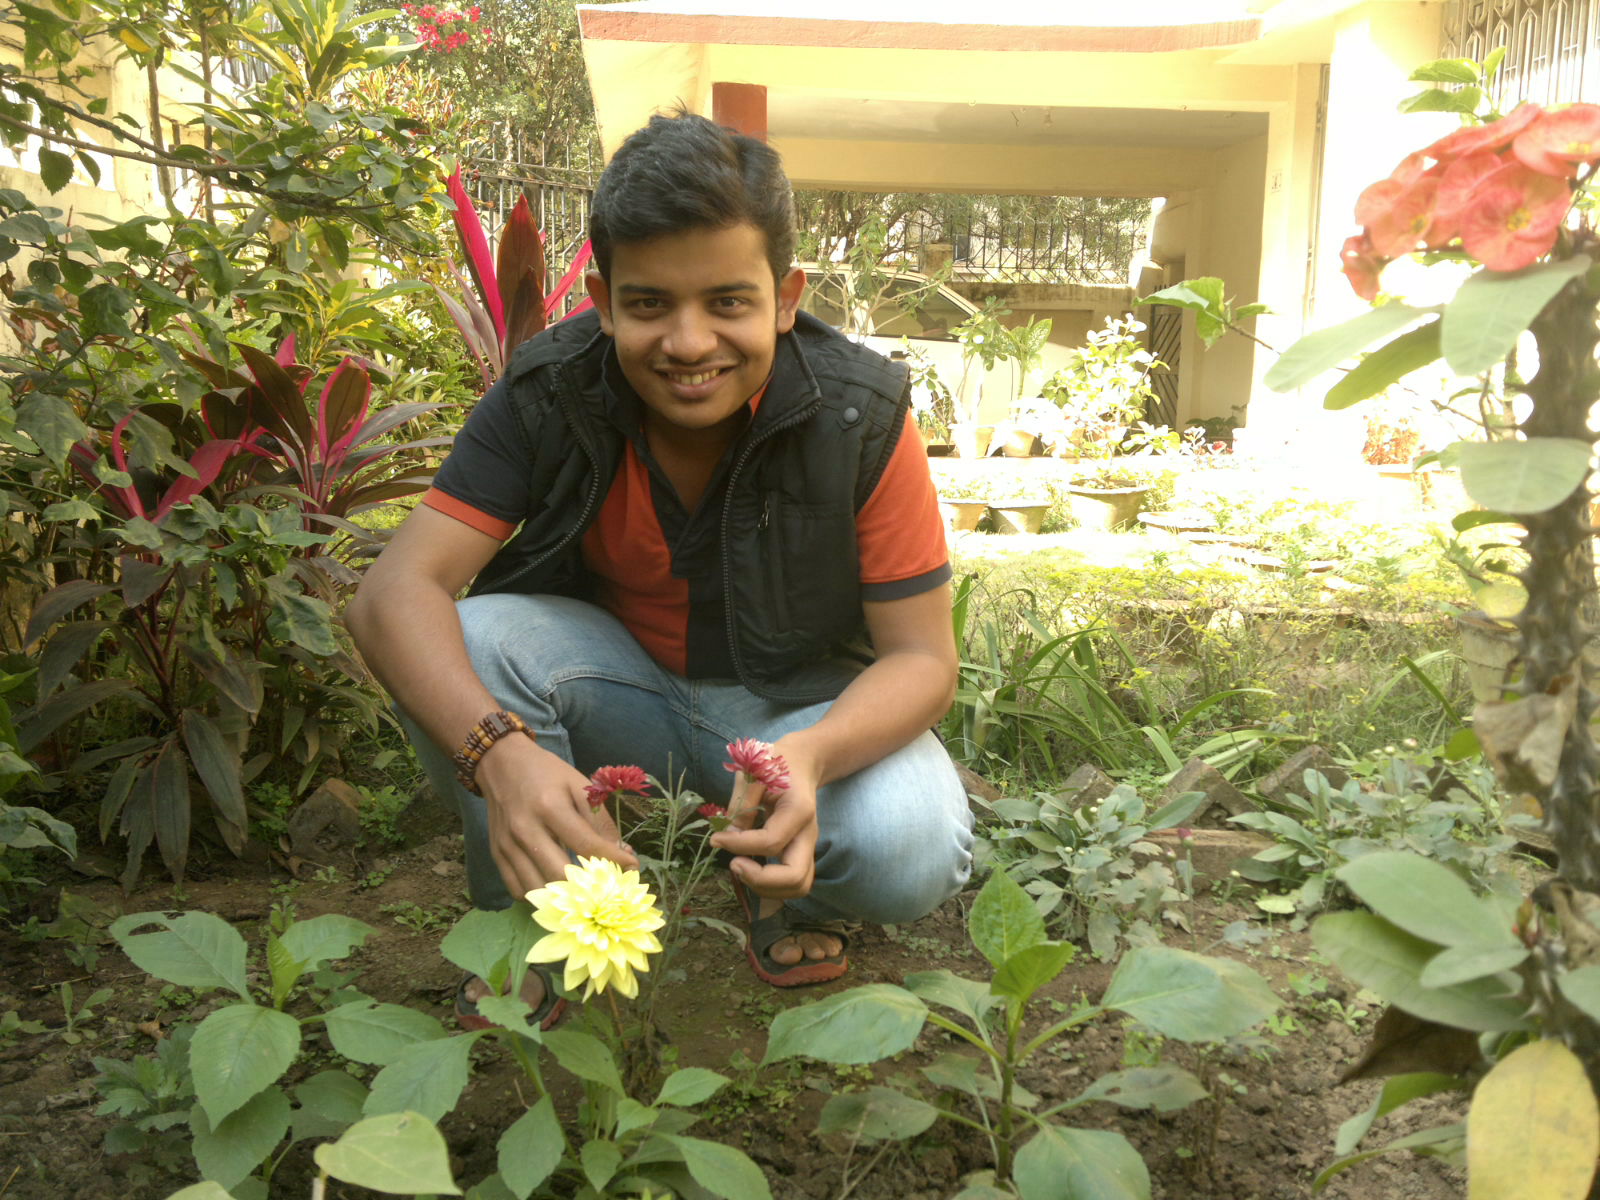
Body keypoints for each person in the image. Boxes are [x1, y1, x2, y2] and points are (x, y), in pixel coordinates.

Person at [345, 111, 973, 1028]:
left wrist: (811, 757)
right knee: (472, 640)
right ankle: (531, 925)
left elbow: (924, 661)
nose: (686, 343)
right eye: (648, 304)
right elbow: (393, 594)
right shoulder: (547, 391)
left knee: (908, 846)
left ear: (786, 294)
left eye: (727, 301)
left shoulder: (859, 417)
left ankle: (786, 887)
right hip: (616, 689)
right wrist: (502, 757)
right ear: (602, 299)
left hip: (795, 709)